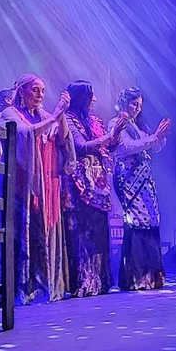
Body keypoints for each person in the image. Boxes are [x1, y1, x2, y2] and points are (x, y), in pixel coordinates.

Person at [0, 75, 71, 303]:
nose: (40, 95)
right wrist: (55, 116)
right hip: (20, 186)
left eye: (43, 91)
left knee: (40, 234)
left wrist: (60, 115)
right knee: (22, 234)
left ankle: (43, 287)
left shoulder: (43, 115)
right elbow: (24, 134)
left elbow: (62, 138)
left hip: (44, 186)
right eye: (35, 90)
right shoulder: (9, 113)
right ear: (22, 91)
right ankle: (20, 288)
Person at [111, 87, 171, 291]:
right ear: (124, 102)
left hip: (144, 180)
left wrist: (160, 136)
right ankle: (135, 277)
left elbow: (154, 148)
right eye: (134, 104)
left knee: (151, 222)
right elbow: (127, 147)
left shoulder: (137, 126)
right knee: (136, 224)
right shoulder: (116, 124)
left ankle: (152, 276)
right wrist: (154, 137)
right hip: (128, 180)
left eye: (139, 105)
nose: (137, 108)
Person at [61, 80, 117, 298]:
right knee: (82, 231)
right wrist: (109, 136)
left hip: (99, 180)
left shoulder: (94, 120)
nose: (94, 99)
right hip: (80, 180)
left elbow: (108, 146)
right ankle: (84, 281)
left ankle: (101, 281)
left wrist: (115, 135)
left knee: (99, 229)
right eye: (90, 95)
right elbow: (81, 147)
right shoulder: (68, 119)